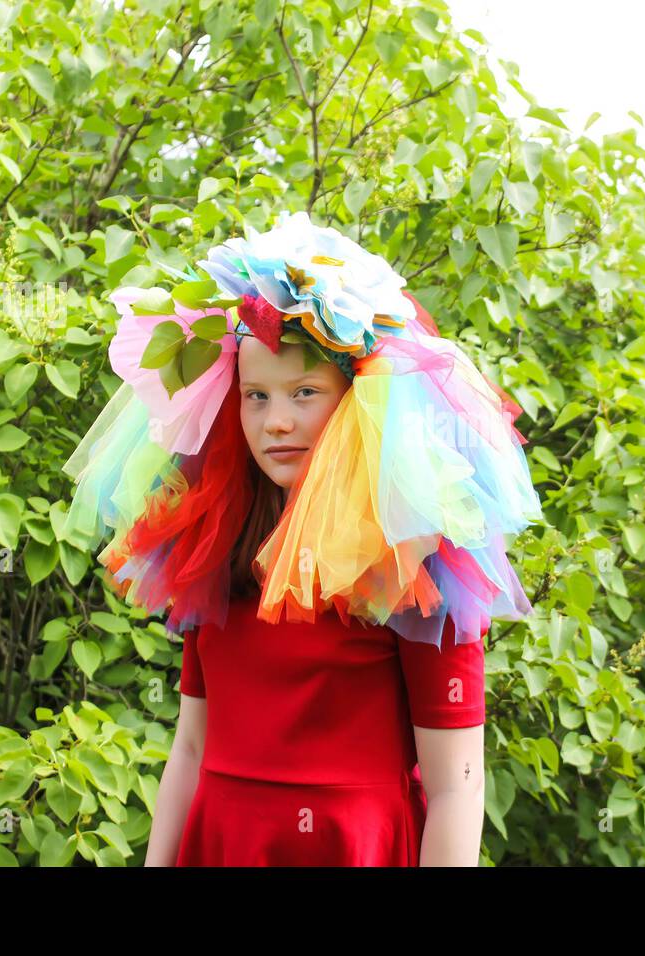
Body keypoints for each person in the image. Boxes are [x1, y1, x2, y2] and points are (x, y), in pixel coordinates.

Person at [61, 210, 542, 866]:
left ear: (356, 404)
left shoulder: (416, 562)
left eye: (305, 392)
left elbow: (458, 781)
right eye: (255, 395)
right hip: (224, 841)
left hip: (354, 847)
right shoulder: (218, 542)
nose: (276, 421)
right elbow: (193, 746)